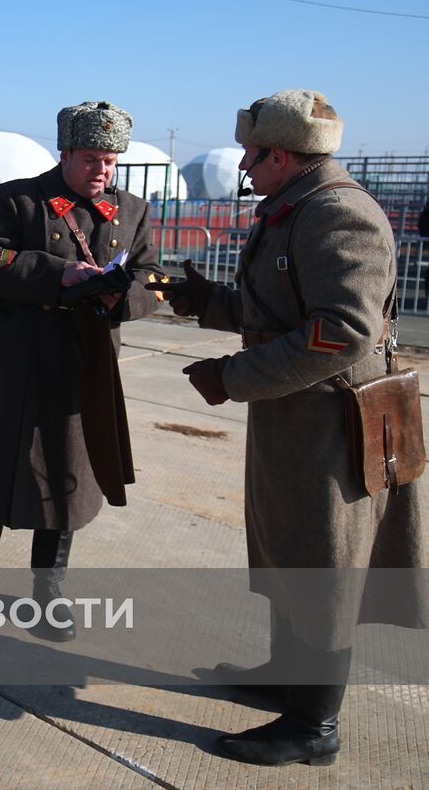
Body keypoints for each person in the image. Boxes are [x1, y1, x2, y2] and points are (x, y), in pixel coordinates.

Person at [154, 89, 427, 767]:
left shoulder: (338, 212)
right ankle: (289, 676)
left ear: (281, 155)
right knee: (289, 547)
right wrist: (207, 302)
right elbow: (280, 306)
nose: (243, 165)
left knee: (326, 562)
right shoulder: (294, 206)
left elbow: (343, 332)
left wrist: (232, 376)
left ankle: (315, 725)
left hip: (334, 422)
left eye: (251, 153)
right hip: (295, 415)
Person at [0, 101, 164, 641]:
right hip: (18, 363)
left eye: (112, 160)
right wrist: (58, 274)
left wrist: (124, 297)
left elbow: (155, 276)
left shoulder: (134, 210)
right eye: (93, 159)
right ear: (66, 153)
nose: (103, 170)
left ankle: (47, 592)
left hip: (84, 369)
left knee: (67, 480)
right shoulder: (21, 198)